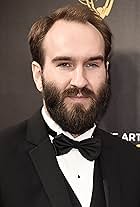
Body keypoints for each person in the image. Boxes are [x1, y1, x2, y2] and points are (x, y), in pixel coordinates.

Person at [0, 3, 140, 207]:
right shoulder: (3, 156)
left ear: (106, 71)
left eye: (92, 64)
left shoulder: (132, 161)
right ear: (38, 75)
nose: (80, 81)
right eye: (65, 64)